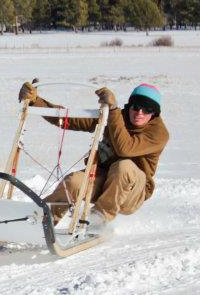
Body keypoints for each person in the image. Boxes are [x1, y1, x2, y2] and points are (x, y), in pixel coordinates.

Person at [18, 81, 169, 228]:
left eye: (147, 110)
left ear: (154, 114)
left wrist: (114, 110)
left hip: (132, 193)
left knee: (124, 166)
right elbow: (72, 120)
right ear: (130, 106)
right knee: (74, 182)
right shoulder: (117, 116)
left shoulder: (158, 134)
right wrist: (36, 102)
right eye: (136, 107)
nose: (139, 113)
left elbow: (125, 148)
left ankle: (98, 218)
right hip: (103, 181)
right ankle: (41, 219)